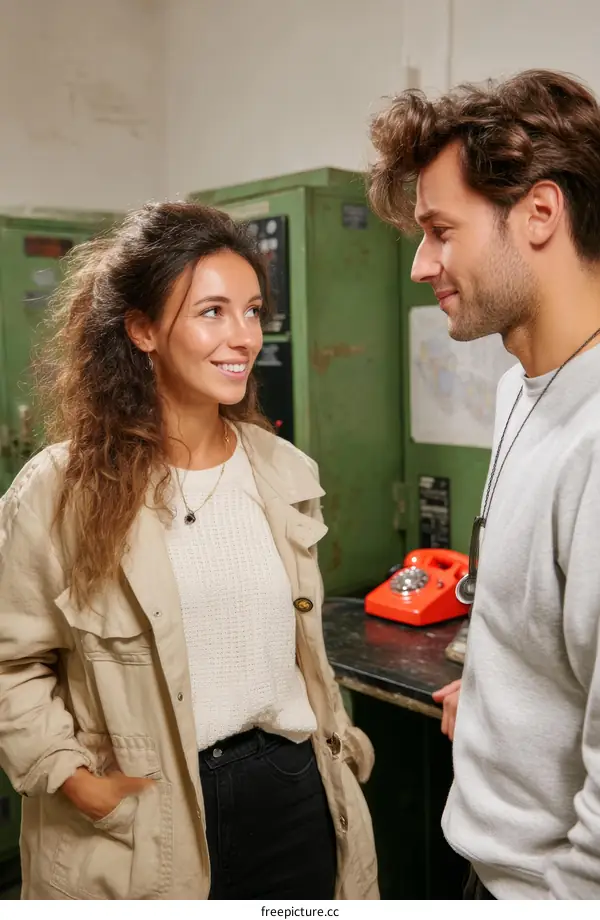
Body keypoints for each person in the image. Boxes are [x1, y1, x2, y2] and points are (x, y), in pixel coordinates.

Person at [0, 202, 378, 900]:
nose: (243, 337)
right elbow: (11, 663)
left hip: (291, 794)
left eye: (252, 311)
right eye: (212, 312)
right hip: (146, 815)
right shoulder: (59, 491)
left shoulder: (283, 472)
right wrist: (72, 777)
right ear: (142, 329)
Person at [367, 69, 600, 900]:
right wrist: (505, 696)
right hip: (488, 858)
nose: (421, 264)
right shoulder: (519, 389)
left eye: (440, 230)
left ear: (539, 213)